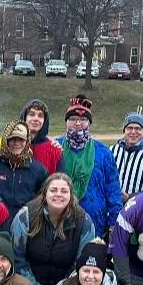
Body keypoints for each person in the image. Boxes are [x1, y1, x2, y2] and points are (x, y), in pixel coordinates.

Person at [11, 172, 97, 285]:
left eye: (64, 191)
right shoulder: (26, 216)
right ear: (45, 194)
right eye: (53, 190)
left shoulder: (83, 222)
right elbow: (17, 258)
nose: (58, 194)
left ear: (71, 195)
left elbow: (82, 264)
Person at [57, 94, 123, 238]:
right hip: (60, 222)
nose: (78, 123)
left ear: (89, 123)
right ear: (66, 122)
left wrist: (114, 222)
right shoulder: (55, 148)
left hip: (95, 225)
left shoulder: (103, 152)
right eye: (73, 119)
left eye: (83, 119)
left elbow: (113, 188)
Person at [0, 118, 49, 222]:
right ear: (5, 140)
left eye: (21, 139)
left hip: (26, 225)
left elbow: (44, 200)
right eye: (12, 139)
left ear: (27, 141)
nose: (16, 143)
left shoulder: (39, 170)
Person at [111, 108, 143, 202]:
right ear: (124, 130)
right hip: (111, 207)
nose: (133, 132)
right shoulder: (112, 151)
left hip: (138, 209)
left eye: (138, 128)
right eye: (129, 128)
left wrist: (130, 197)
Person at [21, 98, 63, 176]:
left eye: (40, 116)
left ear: (45, 121)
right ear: (24, 117)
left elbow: (61, 180)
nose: (36, 118)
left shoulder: (54, 149)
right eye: (31, 114)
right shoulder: (14, 146)